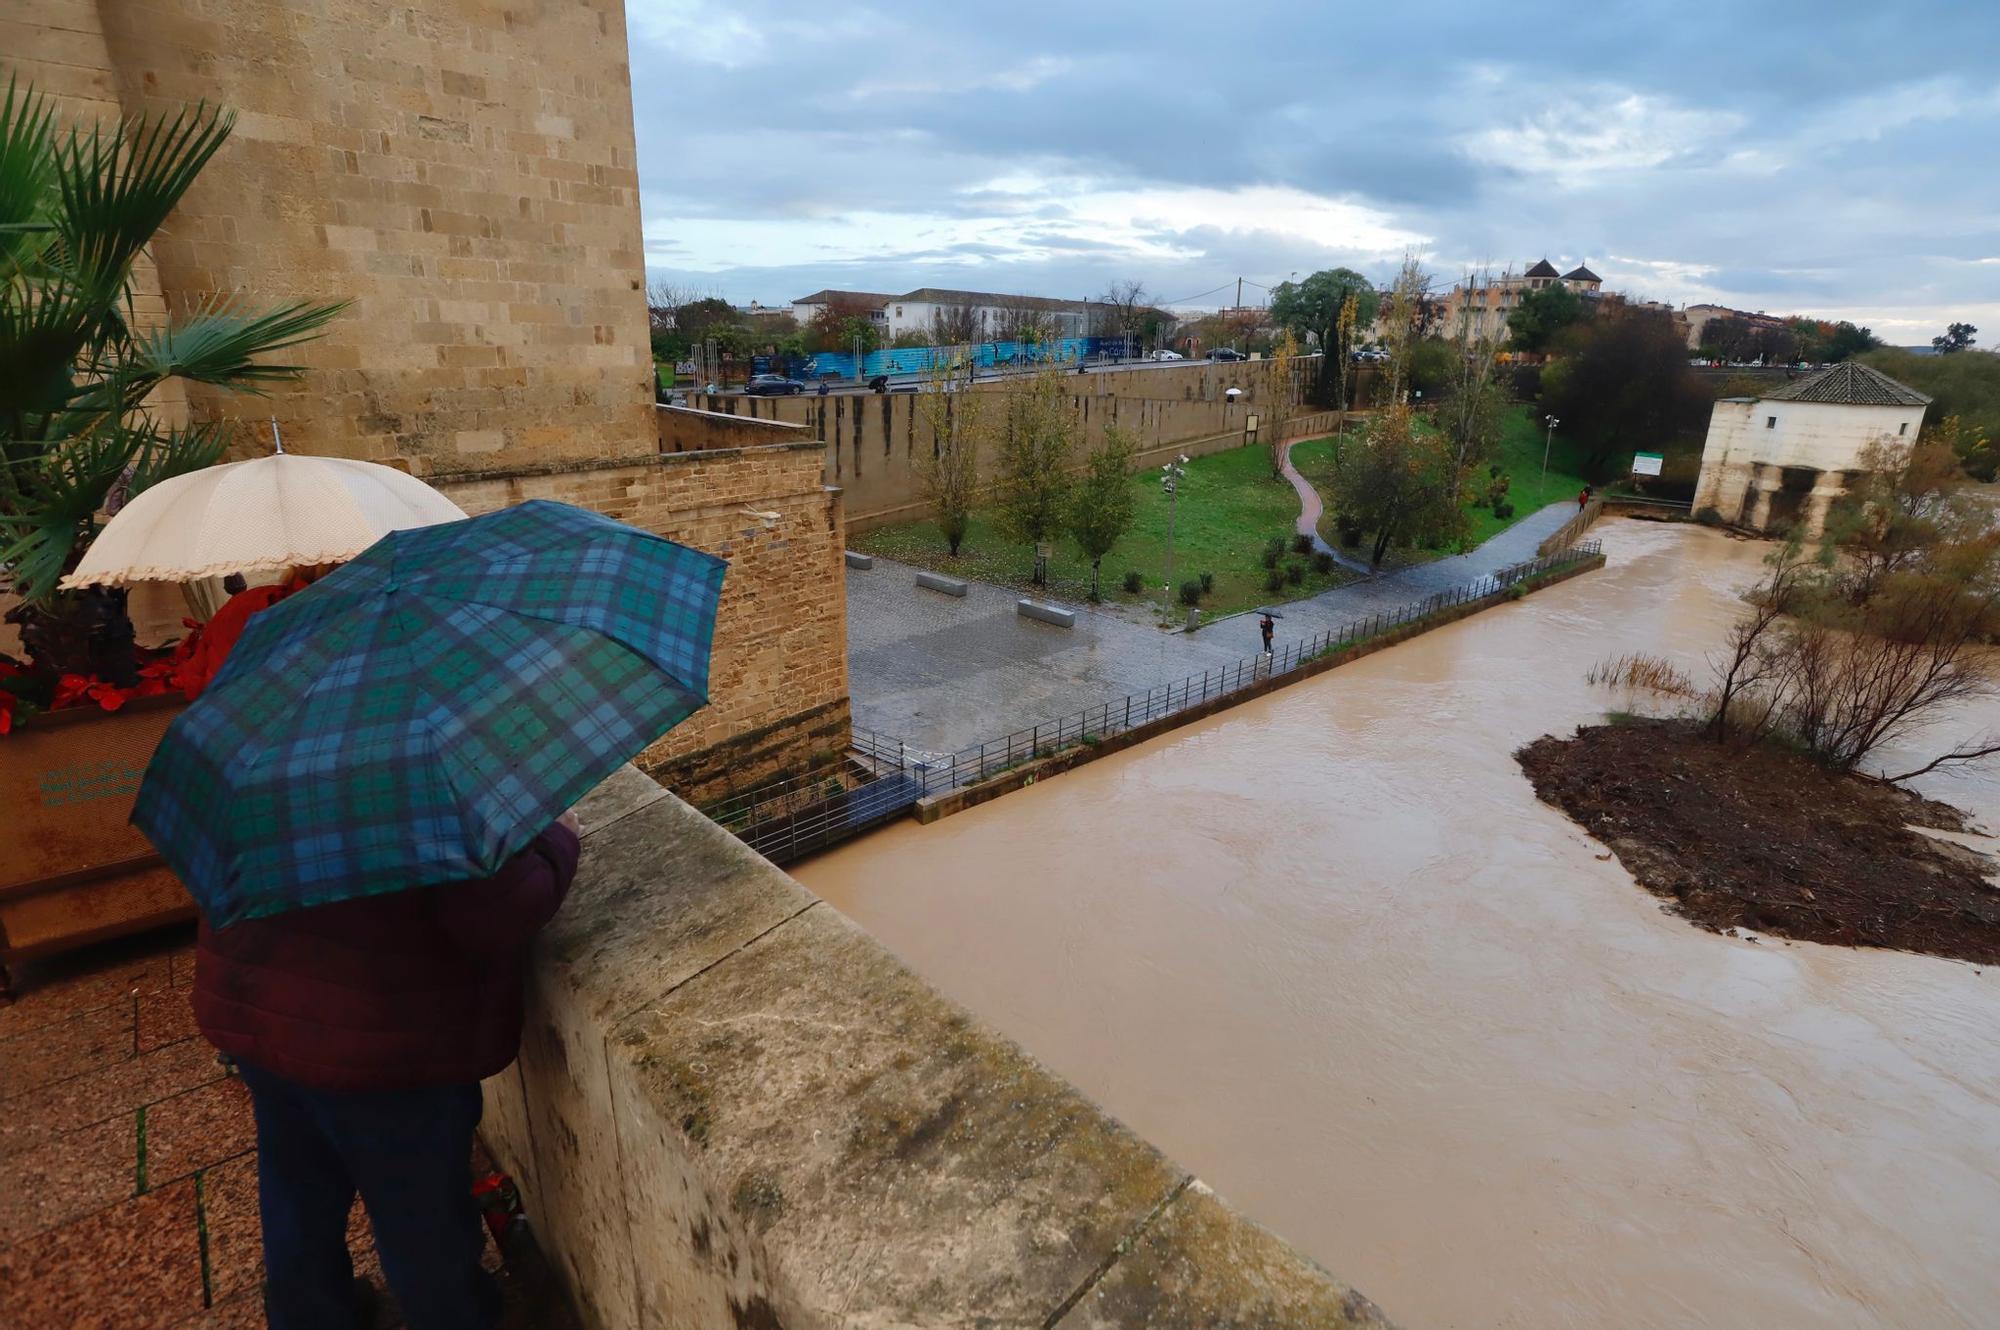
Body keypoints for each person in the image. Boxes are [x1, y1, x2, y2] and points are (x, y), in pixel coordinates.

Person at [195, 817, 582, 1329]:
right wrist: (560, 839)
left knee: (297, 1182)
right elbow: (495, 911)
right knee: (419, 1215)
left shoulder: (262, 751)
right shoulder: (416, 769)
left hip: (261, 1019)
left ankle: (309, 1313)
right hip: (384, 1046)